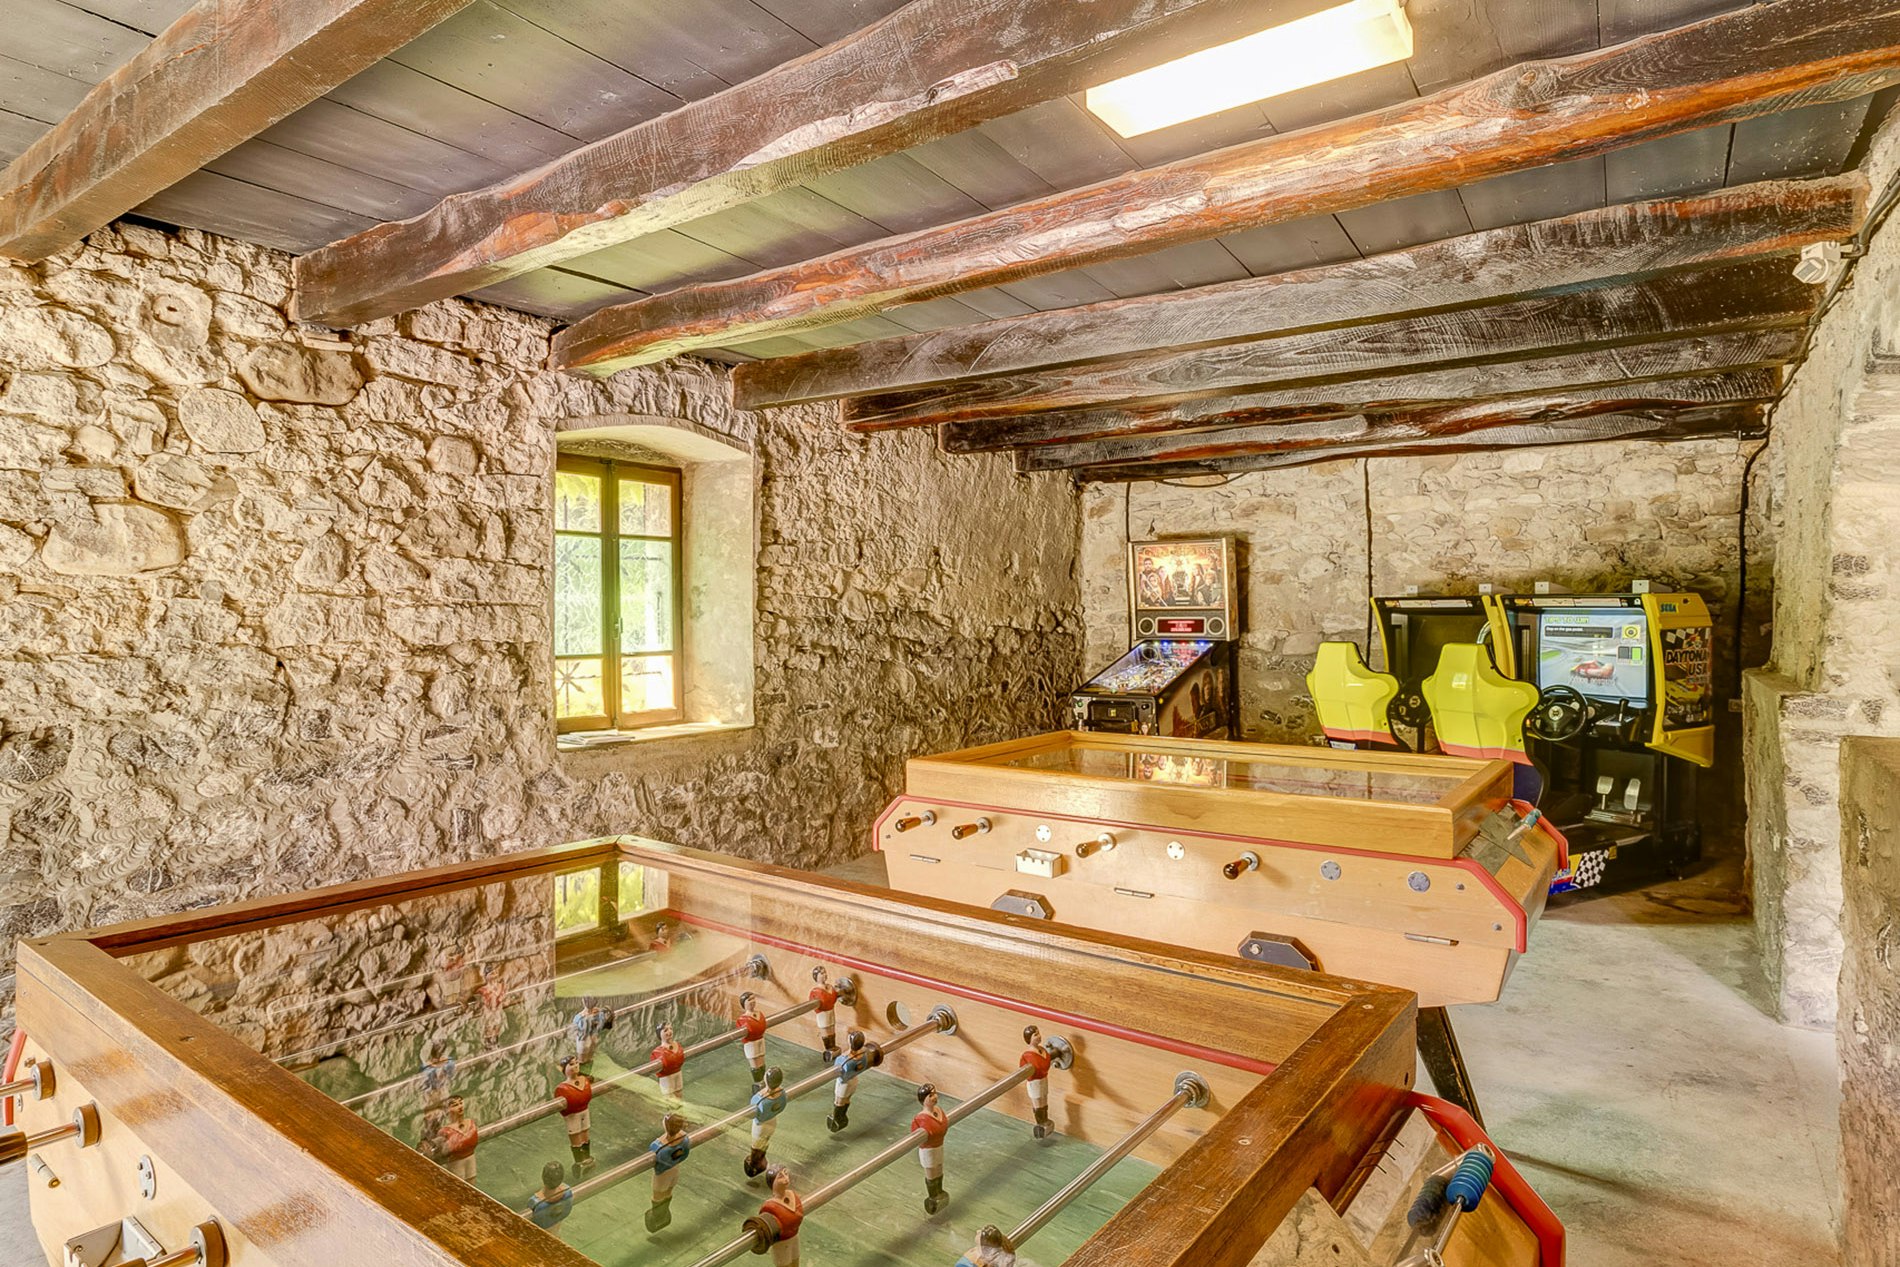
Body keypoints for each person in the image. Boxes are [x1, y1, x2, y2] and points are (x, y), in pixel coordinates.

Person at [646, 1111, 691, 1232]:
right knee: (668, 1191)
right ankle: (665, 1212)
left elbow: (655, 1158)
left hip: (662, 1174)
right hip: (675, 1169)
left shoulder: (658, 1146)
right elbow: (685, 1154)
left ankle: (658, 1217)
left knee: (658, 1195)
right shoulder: (684, 1139)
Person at [826, 1029, 878, 1133]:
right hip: (854, 1080)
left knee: (839, 1101)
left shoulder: (843, 1060)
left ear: (850, 1043)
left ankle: (837, 1119)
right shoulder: (864, 1055)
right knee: (847, 1099)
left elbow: (836, 1067)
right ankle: (843, 1117)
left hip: (844, 1083)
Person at [554, 1056, 595, 1179]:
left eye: (576, 1063)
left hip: (584, 1111)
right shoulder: (562, 1088)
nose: (576, 1066)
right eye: (571, 1064)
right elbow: (561, 1107)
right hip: (573, 1116)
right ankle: (579, 1161)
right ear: (564, 1069)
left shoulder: (584, 1080)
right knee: (576, 1136)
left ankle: (587, 1158)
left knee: (585, 1133)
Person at [913, 1082, 950, 1214]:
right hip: (928, 1150)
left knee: (939, 1168)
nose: (934, 1097)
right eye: (930, 1095)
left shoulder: (938, 1111)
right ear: (924, 1100)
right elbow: (914, 1135)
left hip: (939, 1145)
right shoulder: (920, 1119)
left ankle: (939, 1191)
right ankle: (933, 1195)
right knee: (931, 1171)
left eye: (934, 1094)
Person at [744, 1066, 788, 1177]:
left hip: (760, 1125)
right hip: (772, 1121)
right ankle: (762, 1159)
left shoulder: (760, 1099)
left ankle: (755, 1164)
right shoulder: (782, 1093)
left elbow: (752, 1111)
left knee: (756, 1146)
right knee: (765, 1143)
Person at [759, 1165, 804, 1267]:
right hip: (781, 1244)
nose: (786, 1178)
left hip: (794, 1237)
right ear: (773, 1182)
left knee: (795, 1262)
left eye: (786, 1173)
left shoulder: (792, 1195)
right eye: (780, 1176)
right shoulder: (769, 1206)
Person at [1021, 1026, 1055, 1139]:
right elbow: (1023, 1070)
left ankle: (1045, 1120)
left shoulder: (1042, 1050)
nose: (1039, 1036)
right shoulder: (1027, 1056)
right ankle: (1040, 1124)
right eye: (1035, 1035)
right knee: (1038, 1102)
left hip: (1043, 1078)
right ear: (1029, 1039)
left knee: (1044, 1099)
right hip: (1034, 1082)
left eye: (1038, 1033)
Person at [526, 1161, 574, 1239]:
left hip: (540, 1235)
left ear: (543, 1177)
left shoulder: (535, 1202)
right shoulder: (567, 1192)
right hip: (556, 1230)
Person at [437, 1096, 480, 1182]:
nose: (460, 1106)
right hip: (456, 1163)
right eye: (455, 1105)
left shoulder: (471, 1123)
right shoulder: (445, 1131)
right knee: (458, 1183)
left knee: (471, 1181)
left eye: (460, 1103)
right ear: (448, 1110)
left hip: (470, 1159)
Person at [808, 966, 841, 1064]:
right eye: (821, 973)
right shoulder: (816, 992)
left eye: (825, 972)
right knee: (825, 1029)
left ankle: (833, 1047)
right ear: (816, 977)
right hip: (822, 1013)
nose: (824, 975)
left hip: (830, 1011)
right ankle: (828, 1048)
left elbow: (833, 997)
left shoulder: (830, 987)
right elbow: (813, 1004)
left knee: (831, 1028)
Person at [736, 992, 770, 1087]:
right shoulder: (742, 1019)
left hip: (760, 1039)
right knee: (755, 1063)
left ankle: (763, 1081)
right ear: (744, 1003)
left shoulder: (759, 1014)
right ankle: (758, 1083)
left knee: (761, 1061)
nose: (752, 1001)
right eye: (749, 1000)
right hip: (751, 1043)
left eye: (753, 998)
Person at [572, 997, 610, 1072]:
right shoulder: (600, 1013)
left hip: (583, 1041)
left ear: (584, 1002)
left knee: (581, 1060)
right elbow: (601, 1025)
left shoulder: (579, 1017)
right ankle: (589, 1073)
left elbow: (575, 1027)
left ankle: (582, 1074)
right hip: (594, 1038)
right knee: (590, 1058)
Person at [652, 1020, 687, 1098]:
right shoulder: (658, 1052)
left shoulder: (677, 1045)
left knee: (679, 1093)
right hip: (667, 1078)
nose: (669, 1032)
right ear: (660, 1035)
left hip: (678, 1074)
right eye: (665, 1030)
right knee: (669, 1098)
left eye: (670, 1028)